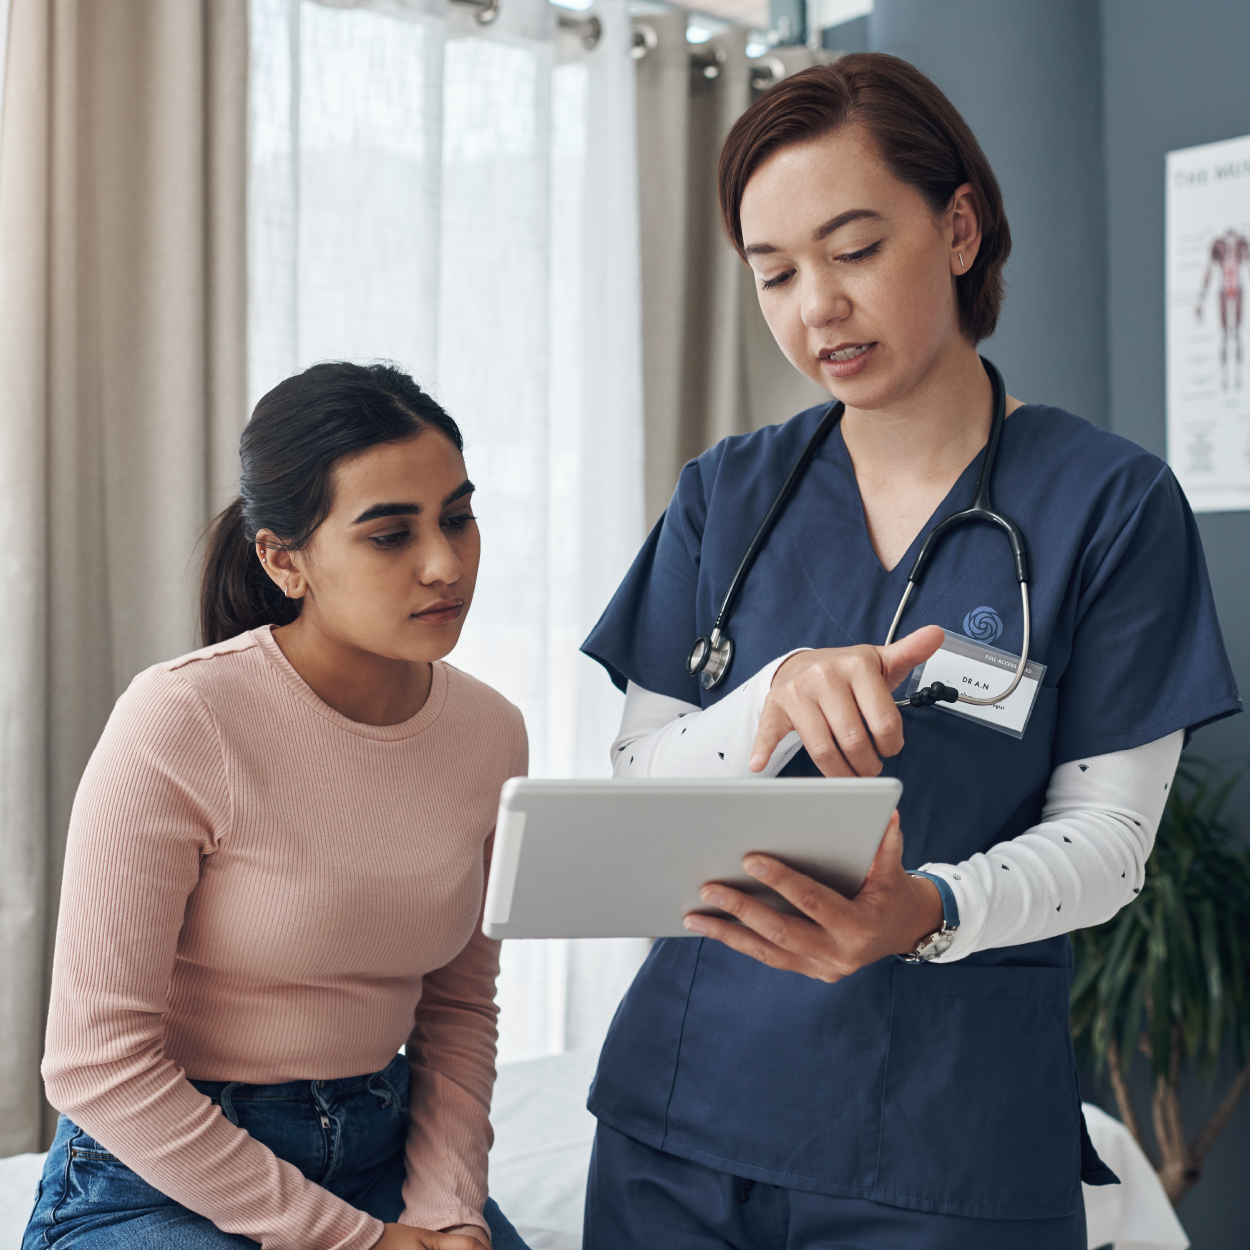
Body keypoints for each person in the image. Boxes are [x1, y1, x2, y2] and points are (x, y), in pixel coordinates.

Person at [580, 55, 1241, 1249]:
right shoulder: (725, 493)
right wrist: (769, 698)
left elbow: (1108, 844)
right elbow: (635, 783)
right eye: (773, 272)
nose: (814, 308)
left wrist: (924, 909)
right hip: (678, 1117)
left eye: (851, 249)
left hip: (946, 1136)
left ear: (956, 226)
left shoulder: (1106, 502)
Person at [25, 363, 532, 1250]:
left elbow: (457, 1009)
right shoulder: (181, 719)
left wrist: (447, 1212)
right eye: (389, 535)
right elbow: (95, 1063)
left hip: (382, 1142)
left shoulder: (490, 732)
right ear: (282, 558)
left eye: (457, 516)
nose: (445, 563)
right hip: (161, 1169)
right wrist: (354, 1240)